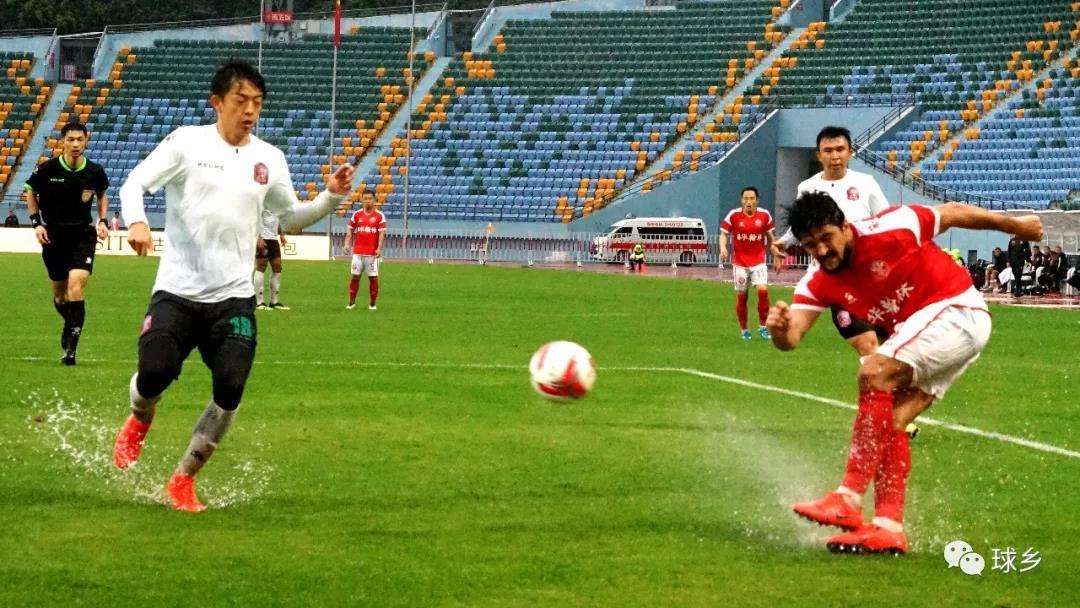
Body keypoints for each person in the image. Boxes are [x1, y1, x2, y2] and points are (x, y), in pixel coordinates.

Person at [112, 60, 355, 512]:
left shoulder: (269, 159)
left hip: (233, 299)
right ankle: (140, 418)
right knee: (154, 376)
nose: (250, 111)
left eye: (257, 103)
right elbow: (134, 184)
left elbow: (289, 219)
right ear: (217, 102)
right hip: (178, 292)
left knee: (231, 385)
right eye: (241, 101)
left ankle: (183, 479)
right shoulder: (187, 143)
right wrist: (138, 223)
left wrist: (330, 198)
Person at [766, 191, 1043, 554]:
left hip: (955, 310)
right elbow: (792, 338)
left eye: (825, 238)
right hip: (946, 332)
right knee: (892, 421)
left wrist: (1016, 225)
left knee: (872, 372)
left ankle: (848, 497)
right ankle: (888, 526)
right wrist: (779, 329)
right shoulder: (818, 281)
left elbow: (954, 212)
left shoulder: (890, 227)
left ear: (845, 228)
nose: (820, 251)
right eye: (809, 245)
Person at [775, 126, 891, 358]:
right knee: (866, 343)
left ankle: (890, 385)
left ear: (850, 152)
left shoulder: (866, 183)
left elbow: (886, 220)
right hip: (826, 273)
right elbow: (801, 225)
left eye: (840, 149)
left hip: (865, 272)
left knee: (886, 340)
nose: (834, 156)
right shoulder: (807, 187)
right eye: (828, 150)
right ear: (819, 155)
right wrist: (784, 241)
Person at [23, 121, 110, 365]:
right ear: (62, 141)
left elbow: (103, 195)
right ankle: (69, 324)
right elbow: (30, 191)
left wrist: (102, 220)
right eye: (70, 139)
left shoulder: (94, 171)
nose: (75, 144)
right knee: (61, 297)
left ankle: (70, 350)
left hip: (82, 236)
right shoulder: (47, 169)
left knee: (76, 286)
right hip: (53, 237)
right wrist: (35, 223)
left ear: (86, 140)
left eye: (79, 140)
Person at [719, 186, 776, 340]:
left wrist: (776, 254)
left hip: (758, 261)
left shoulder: (764, 215)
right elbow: (723, 234)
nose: (749, 201)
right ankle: (744, 330)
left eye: (752, 198)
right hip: (740, 263)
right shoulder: (734, 215)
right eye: (746, 198)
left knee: (763, 292)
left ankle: (763, 327)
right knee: (742, 297)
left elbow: (770, 236)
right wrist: (723, 247)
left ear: (757, 200)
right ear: (741, 200)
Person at [344, 191, 386, 310]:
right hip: (357, 253)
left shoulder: (379, 216)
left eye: (370, 198)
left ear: (374, 200)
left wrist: (379, 248)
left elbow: (382, 233)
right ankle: (351, 302)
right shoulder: (356, 215)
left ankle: (372, 303)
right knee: (355, 276)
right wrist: (347, 244)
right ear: (362, 200)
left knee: (373, 277)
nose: (368, 201)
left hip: (372, 254)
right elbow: (350, 231)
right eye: (365, 198)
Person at [254, 208, 289, 310]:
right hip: (263, 238)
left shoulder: (276, 203)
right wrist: (258, 237)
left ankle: (274, 302)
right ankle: (259, 302)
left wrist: (281, 234)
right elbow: (255, 220)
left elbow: (278, 220)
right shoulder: (261, 202)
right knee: (261, 266)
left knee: (277, 267)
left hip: (273, 239)